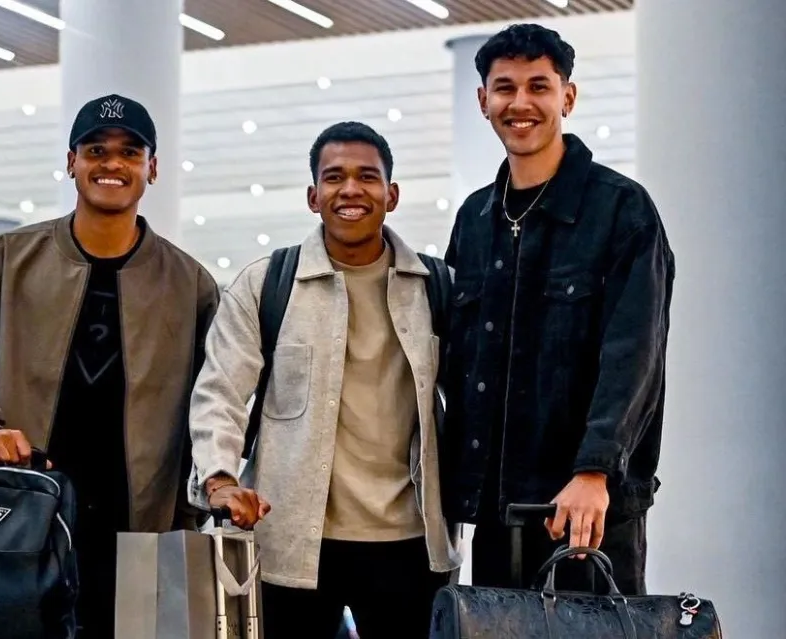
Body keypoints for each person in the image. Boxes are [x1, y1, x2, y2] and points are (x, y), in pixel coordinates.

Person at [0, 93, 219, 637]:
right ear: (71, 162)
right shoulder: (6, 260)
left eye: (130, 152)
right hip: (18, 524)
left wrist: (201, 500)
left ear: (151, 168)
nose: (112, 163)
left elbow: (213, 406)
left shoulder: (191, 285)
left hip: (140, 539)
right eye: (95, 150)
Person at [187, 121, 457, 639]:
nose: (350, 190)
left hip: (410, 542)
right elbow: (220, 389)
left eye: (367, 177)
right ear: (313, 196)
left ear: (391, 194)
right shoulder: (267, 284)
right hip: (291, 541)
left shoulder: (435, 288)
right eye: (334, 177)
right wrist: (219, 479)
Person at [441, 24, 674, 595]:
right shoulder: (475, 220)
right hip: (499, 511)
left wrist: (594, 470)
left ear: (567, 97)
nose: (520, 103)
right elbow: (453, 357)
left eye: (538, 87)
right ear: (483, 101)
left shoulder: (621, 209)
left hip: (586, 510)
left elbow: (634, 355)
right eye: (504, 88)